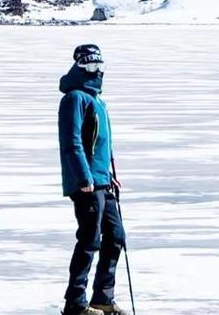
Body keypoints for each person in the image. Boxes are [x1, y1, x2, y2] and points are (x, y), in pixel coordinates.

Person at [58, 43, 127, 315]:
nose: (96, 71)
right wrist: (84, 177)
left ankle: (102, 298)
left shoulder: (99, 101)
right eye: (89, 66)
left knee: (116, 236)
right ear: (79, 67)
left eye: (100, 66)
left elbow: (103, 145)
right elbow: (72, 142)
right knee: (89, 239)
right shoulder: (74, 98)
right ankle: (75, 302)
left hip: (103, 181)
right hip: (85, 183)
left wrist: (110, 175)